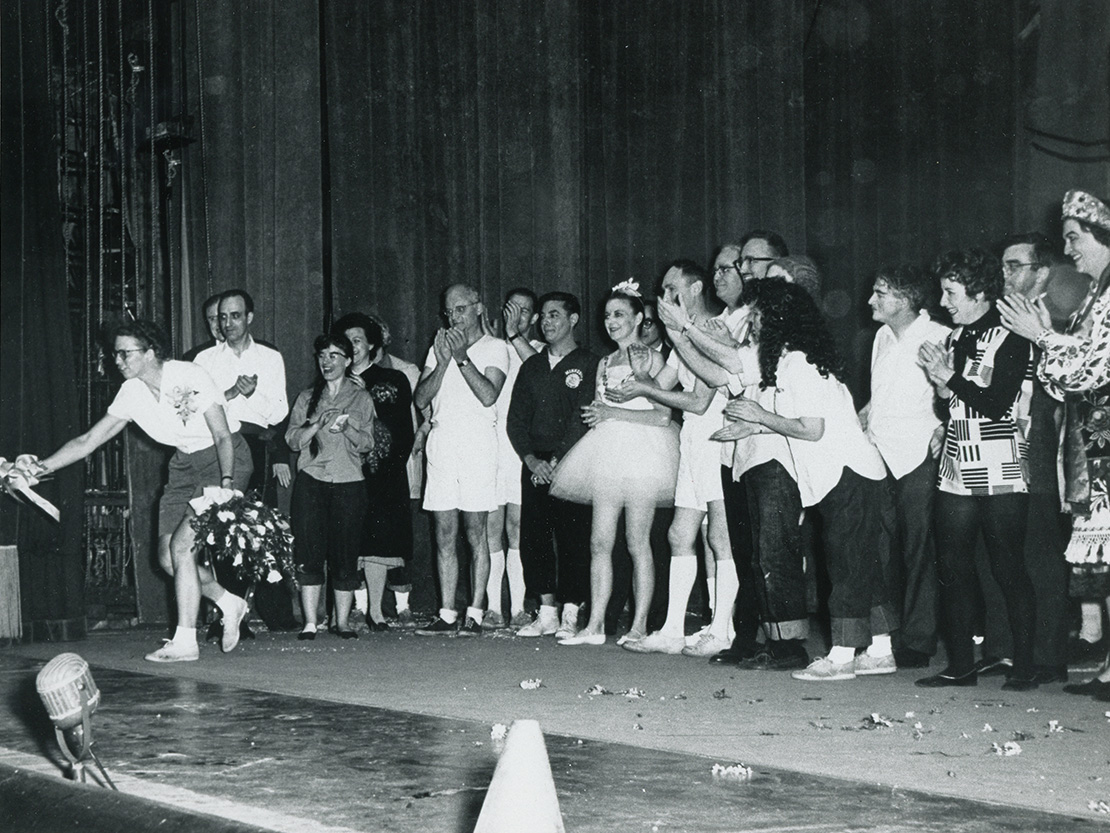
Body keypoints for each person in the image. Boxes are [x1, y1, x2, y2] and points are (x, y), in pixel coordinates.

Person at [27, 319, 253, 662]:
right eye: (115, 353)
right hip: (183, 466)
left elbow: (222, 436)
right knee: (167, 559)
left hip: (223, 461)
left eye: (125, 353)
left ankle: (185, 641)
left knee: (182, 547)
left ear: (150, 353)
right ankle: (227, 601)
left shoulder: (189, 375)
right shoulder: (131, 393)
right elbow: (88, 441)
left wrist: (226, 483)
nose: (117, 361)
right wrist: (39, 468)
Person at [711, 279, 897, 682]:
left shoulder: (798, 361)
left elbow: (811, 429)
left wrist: (759, 417)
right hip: (843, 475)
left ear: (778, 318)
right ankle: (881, 650)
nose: (753, 324)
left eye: (758, 315)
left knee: (846, 564)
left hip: (846, 473)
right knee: (862, 564)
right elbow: (794, 423)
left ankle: (843, 654)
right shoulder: (791, 361)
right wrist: (753, 430)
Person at [1000, 190, 1110, 702]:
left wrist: (1040, 336)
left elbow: (1090, 367)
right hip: (1095, 437)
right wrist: (1044, 337)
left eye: (1075, 237)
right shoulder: (1096, 292)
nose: (1070, 251)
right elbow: (1066, 378)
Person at [917, 248, 1037, 690]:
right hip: (957, 460)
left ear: (981, 292)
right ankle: (961, 665)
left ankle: (1024, 665)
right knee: (952, 566)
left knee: (1007, 566)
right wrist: (939, 382)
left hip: (1000, 460)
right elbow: (950, 405)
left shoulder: (1011, 339)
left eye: (952, 292)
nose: (944, 301)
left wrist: (947, 378)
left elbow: (996, 405)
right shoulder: (953, 338)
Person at [615, 261, 738, 657]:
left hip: (718, 438)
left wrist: (642, 390)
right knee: (679, 534)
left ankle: (723, 629)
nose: (665, 298)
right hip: (692, 441)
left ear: (696, 288)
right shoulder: (678, 339)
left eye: (672, 289)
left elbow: (700, 402)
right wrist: (642, 380)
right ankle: (671, 629)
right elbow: (665, 387)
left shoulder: (713, 331)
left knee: (719, 536)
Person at [550, 281, 680, 646]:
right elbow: (599, 406)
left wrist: (612, 412)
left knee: (638, 541)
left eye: (619, 314)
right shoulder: (605, 361)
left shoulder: (653, 359)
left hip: (643, 453)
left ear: (639, 317)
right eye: (607, 315)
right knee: (599, 541)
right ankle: (595, 625)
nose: (611, 321)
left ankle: (639, 625)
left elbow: (661, 417)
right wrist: (599, 415)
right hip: (607, 452)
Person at [859, 264, 950, 669]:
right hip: (878, 453)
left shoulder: (938, 336)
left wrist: (946, 428)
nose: (870, 301)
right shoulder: (881, 336)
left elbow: (953, 391)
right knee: (876, 549)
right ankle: (883, 636)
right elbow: (882, 395)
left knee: (920, 551)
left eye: (880, 292)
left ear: (907, 299)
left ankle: (918, 640)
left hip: (919, 456)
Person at [194, 288, 296, 634]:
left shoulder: (269, 357)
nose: (228, 323)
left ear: (249, 317)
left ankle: (275, 613)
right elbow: (192, 411)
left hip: (255, 444)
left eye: (235, 316)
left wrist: (253, 393)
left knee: (259, 532)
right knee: (221, 531)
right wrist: (230, 394)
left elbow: (279, 411)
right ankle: (226, 615)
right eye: (222, 317)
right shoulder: (204, 361)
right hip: (216, 447)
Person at [413, 284, 509, 636]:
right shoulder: (437, 348)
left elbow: (488, 394)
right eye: (449, 311)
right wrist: (441, 362)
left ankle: (476, 613)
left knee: (475, 532)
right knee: (444, 533)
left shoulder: (495, 347)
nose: (454, 317)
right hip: (443, 443)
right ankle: (447, 612)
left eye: (461, 309)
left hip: (478, 445)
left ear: (479, 308)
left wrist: (461, 357)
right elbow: (421, 396)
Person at [507, 292, 599, 639]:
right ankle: (546, 611)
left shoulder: (589, 362)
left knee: (574, 537)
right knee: (534, 537)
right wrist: (532, 460)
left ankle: (572, 610)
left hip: (572, 461)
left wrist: (559, 460)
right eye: (543, 316)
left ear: (573, 320)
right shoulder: (531, 366)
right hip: (535, 465)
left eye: (555, 315)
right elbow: (516, 420)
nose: (546, 322)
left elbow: (582, 418)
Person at [285, 334, 376, 640]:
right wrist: (315, 425)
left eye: (334, 355)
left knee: (345, 553)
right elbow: (292, 440)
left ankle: (343, 622)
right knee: (309, 551)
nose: (327, 362)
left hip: (349, 482)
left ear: (348, 360)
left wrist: (348, 427)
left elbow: (368, 443)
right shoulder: (307, 397)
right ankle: (310, 622)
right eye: (322, 355)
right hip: (312, 482)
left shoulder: (361, 398)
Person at [335, 313, 415, 631]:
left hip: (383, 470)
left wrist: (389, 467)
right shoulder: (331, 381)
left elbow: (402, 430)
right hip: (343, 470)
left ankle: (376, 610)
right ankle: (351, 608)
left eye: (357, 340)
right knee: (348, 539)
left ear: (371, 345)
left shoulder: (393, 380)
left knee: (379, 541)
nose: (351, 347)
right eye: (346, 341)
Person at [485, 288, 540, 629]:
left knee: (518, 528)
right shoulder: (492, 349)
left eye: (522, 312)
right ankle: (493, 607)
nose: (514, 317)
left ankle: (519, 606)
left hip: (521, 450)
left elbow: (534, 369)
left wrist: (512, 337)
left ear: (533, 319)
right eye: (509, 309)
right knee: (492, 528)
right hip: (491, 448)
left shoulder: (537, 351)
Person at [366, 312, 423, 626]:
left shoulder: (405, 371)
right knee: (368, 534)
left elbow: (424, 412)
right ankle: (365, 607)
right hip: (367, 466)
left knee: (398, 533)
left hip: (402, 460)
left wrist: (417, 442)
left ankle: (402, 605)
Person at [182, 293, 224, 362]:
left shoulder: (247, 351)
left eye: (221, 317)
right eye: (212, 318)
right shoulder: (193, 356)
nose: (217, 323)